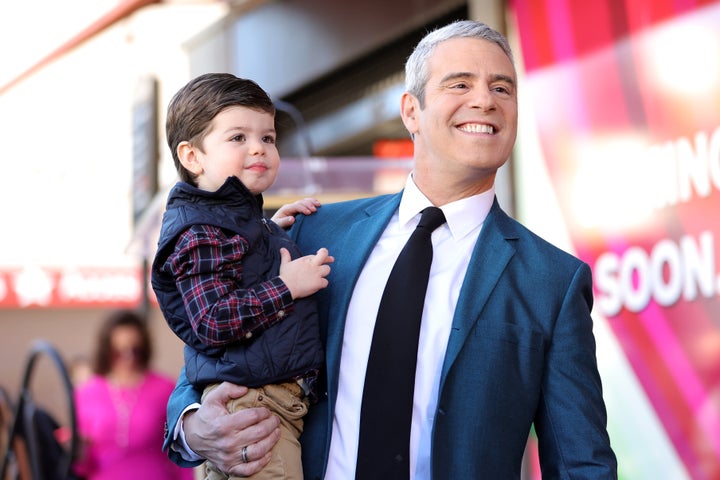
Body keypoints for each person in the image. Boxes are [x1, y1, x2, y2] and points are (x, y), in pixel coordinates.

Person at [165, 20, 618, 479]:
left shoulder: (552, 281)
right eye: (460, 83)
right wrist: (192, 425)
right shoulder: (313, 233)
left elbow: (580, 462)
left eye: (502, 87)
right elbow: (219, 337)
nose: (485, 100)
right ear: (411, 111)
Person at [151, 73, 332, 480]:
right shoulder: (199, 232)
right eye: (238, 138)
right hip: (253, 408)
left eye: (267, 138)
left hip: (263, 401)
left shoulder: (233, 220)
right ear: (192, 156)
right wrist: (286, 287)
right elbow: (214, 320)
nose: (259, 148)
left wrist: (272, 229)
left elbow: (237, 265)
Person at [72, 309, 194, 480]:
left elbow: (182, 453)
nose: (128, 358)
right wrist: (77, 451)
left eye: (134, 351)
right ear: (107, 351)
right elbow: (82, 465)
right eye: (118, 353)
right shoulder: (86, 393)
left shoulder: (165, 388)